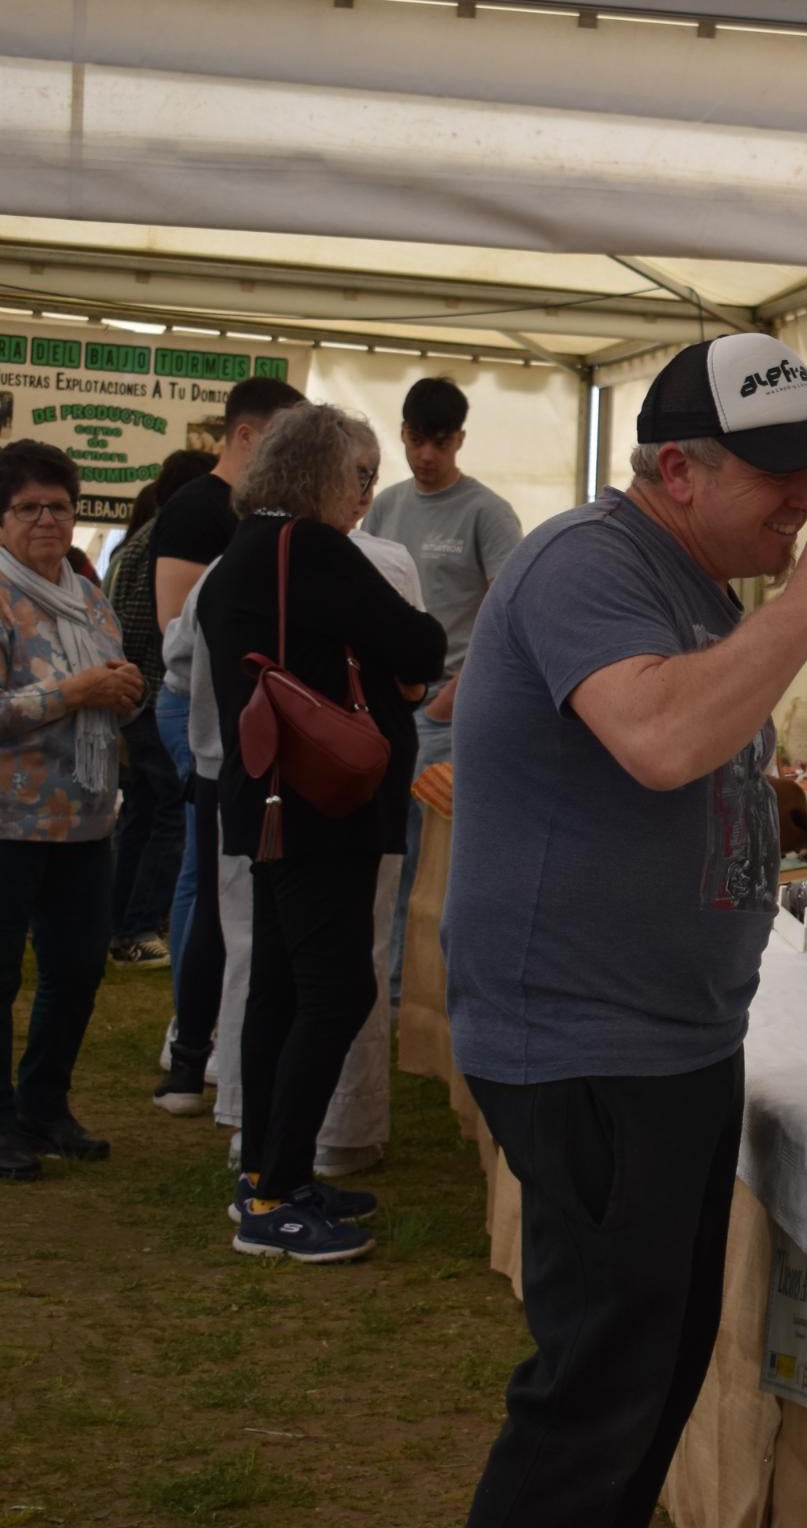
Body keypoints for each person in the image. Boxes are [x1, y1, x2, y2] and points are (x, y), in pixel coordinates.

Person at [445, 333, 807, 1524]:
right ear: (678, 472)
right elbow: (658, 740)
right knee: (596, 1401)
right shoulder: (585, 563)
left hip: (668, 1042)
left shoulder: (687, 586)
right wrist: (804, 609)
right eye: (779, 471)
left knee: (651, 1379)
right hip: (590, 1046)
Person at [198, 405, 446, 1260]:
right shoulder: (308, 548)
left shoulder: (244, 553)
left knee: (280, 987)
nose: (365, 495)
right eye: (360, 477)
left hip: (269, 800)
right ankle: (274, 1197)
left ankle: (271, 1174)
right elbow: (420, 642)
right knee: (336, 989)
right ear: (319, 476)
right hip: (318, 807)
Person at [152, 380, 305, 1112]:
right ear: (245, 436)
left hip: (243, 736)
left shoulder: (261, 527)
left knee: (219, 893)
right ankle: (190, 1043)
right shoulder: (200, 513)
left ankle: (200, 1047)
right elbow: (180, 641)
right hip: (212, 733)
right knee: (206, 889)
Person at [0, 441, 144, 1178]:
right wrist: (75, 693)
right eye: (29, 507)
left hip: (87, 817)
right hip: (8, 821)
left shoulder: (88, 593)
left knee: (78, 968)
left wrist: (124, 688)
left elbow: (110, 680)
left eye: (60, 505)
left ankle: (44, 1105)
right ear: (3, 518)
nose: (47, 520)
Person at [362, 376, 521, 1006]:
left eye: (441, 442)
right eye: (417, 439)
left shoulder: (486, 511)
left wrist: (457, 691)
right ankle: (394, 986)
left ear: (460, 440)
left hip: (449, 711)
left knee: (438, 863)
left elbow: (510, 611)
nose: (427, 454)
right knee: (388, 855)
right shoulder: (384, 505)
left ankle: (431, 992)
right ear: (401, 434)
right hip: (388, 708)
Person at [105, 449, 217, 971]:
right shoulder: (160, 545)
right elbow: (139, 628)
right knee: (170, 815)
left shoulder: (137, 542)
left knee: (143, 815)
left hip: (138, 700)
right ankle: (137, 927)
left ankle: (121, 920)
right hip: (152, 698)